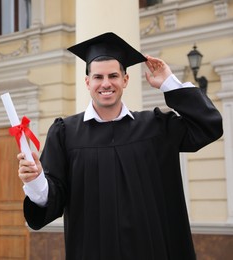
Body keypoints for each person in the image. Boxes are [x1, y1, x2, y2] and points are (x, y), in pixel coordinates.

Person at [16, 32, 223, 260]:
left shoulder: (154, 127)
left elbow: (207, 126)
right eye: (98, 77)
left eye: (113, 75)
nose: (106, 83)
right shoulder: (65, 133)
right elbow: (54, 197)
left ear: (125, 80)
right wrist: (35, 181)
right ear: (88, 82)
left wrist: (169, 83)